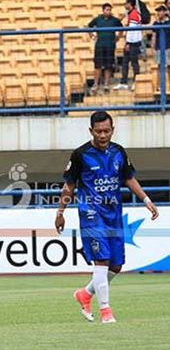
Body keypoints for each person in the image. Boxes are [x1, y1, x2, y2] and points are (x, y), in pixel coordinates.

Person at [55, 110, 158, 324]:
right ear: (91, 131)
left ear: (113, 130)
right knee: (101, 260)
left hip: (114, 214)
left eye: (106, 131)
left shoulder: (119, 152)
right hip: (91, 213)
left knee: (116, 265)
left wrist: (146, 200)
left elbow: (129, 179)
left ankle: (85, 294)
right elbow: (69, 187)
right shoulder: (80, 155)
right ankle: (106, 312)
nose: (102, 135)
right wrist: (60, 212)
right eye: (98, 131)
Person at [87, 3, 123, 95]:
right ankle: (96, 84)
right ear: (103, 10)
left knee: (108, 65)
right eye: (107, 10)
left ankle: (106, 83)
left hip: (110, 45)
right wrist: (91, 35)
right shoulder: (98, 19)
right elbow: (89, 26)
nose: (108, 11)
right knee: (98, 65)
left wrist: (118, 37)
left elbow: (121, 28)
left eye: (110, 10)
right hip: (99, 45)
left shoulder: (115, 20)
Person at [115, 0, 143, 90]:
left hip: (133, 42)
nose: (124, 5)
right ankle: (124, 82)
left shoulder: (134, 14)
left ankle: (137, 81)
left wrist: (128, 43)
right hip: (131, 42)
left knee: (134, 62)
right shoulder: (131, 13)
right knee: (125, 62)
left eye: (126, 3)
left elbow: (132, 31)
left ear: (129, 4)